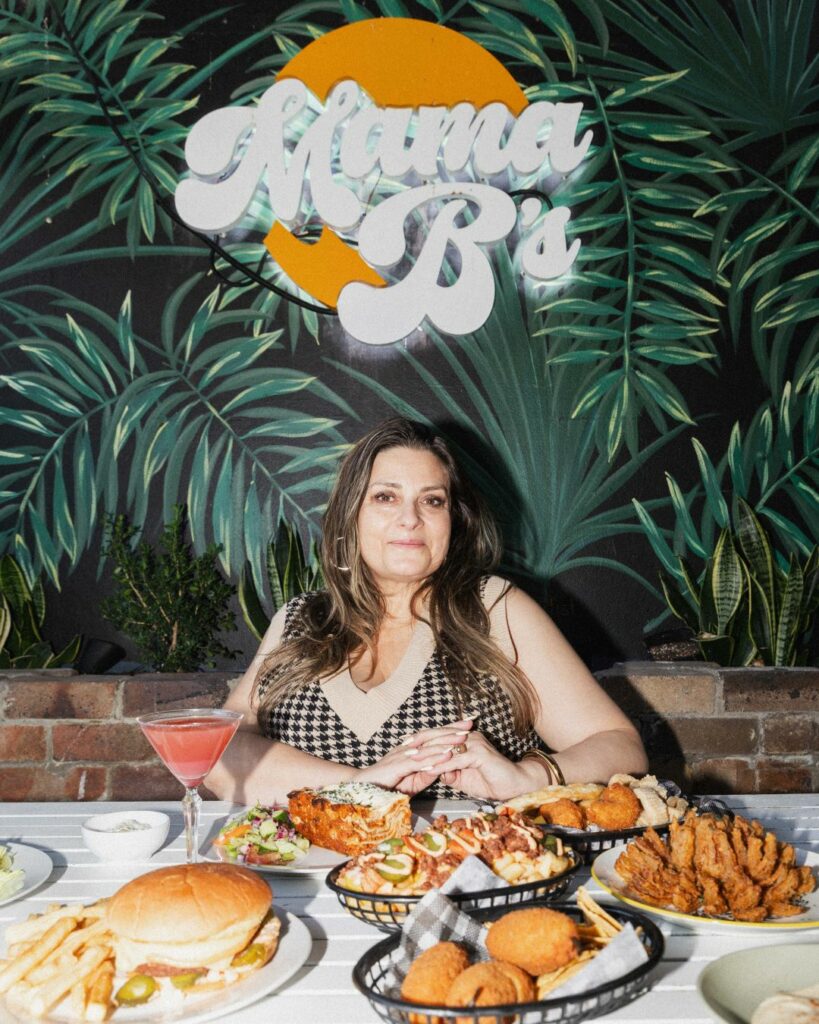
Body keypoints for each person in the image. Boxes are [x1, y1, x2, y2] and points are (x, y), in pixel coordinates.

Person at [206, 418, 647, 805]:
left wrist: (527, 777)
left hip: (467, 878)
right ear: (350, 516)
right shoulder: (299, 620)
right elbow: (220, 752)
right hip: (305, 876)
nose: (411, 518)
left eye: (432, 500)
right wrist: (362, 785)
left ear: (453, 521)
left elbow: (621, 747)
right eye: (385, 497)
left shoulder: (495, 608)